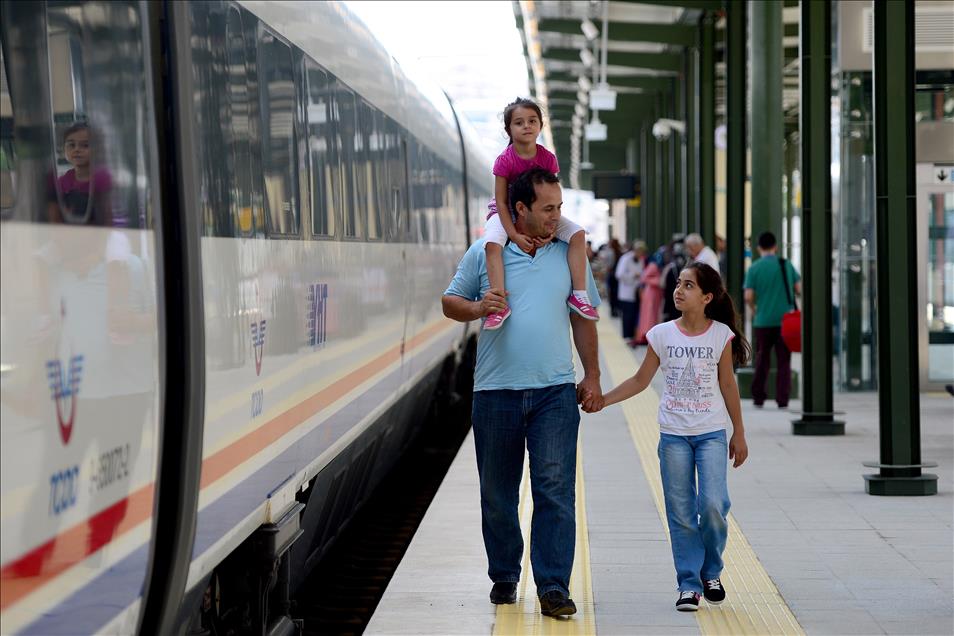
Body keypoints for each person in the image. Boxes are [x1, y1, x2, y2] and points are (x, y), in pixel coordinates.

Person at [442, 168, 601, 618]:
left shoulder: (569, 256)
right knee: (497, 493)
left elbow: (582, 318)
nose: (557, 217)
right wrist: (478, 306)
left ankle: (552, 585)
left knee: (554, 490)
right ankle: (505, 575)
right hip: (495, 393)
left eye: (559, 208)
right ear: (520, 209)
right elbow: (449, 301)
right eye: (548, 209)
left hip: (554, 391)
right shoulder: (485, 253)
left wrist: (591, 375)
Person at [582, 262, 750, 612]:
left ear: (706, 297)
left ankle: (711, 570)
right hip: (673, 435)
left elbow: (728, 385)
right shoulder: (661, 334)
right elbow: (640, 380)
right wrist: (604, 400)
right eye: (678, 283)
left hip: (711, 435)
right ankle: (689, 584)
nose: (678, 289)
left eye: (688, 286)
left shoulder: (720, 335)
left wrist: (739, 432)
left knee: (714, 505)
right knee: (682, 512)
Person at [481, 97, 598, 330]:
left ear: (540, 126)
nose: (527, 126)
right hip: (505, 213)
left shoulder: (548, 158)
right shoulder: (504, 161)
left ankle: (580, 295)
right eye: (519, 122)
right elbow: (502, 202)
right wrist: (513, 234)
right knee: (492, 245)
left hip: (537, 212)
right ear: (508, 130)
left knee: (577, 234)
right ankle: (499, 304)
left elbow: (552, 197)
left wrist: (552, 230)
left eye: (532, 121)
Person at [743, 231, 801, 409]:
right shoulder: (786, 265)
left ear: (759, 247)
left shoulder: (754, 268)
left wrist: (754, 309)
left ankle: (759, 396)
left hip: (763, 321)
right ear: (775, 246)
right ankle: (782, 399)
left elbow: (748, 296)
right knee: (784, 360)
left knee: (762, 358)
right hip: (785, 321)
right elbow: (798, 289)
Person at [48, 122, 113, 226]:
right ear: (64, 149)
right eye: (71, 145)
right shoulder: (63, 182)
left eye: (85, 145)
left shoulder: (102, 178)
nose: (77, 149)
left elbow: (107, 217)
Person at [615, 240, 646, 345]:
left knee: (633, 314)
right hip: (626, 292)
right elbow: (619, 274)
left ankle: (632, 335)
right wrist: (633, 275)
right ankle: (626, 336)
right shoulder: (626, 258)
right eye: (639, 251)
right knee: (627, 315)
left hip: (636, 291)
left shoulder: (640, 260)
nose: (641, 253)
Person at [635, 248, 664, 344]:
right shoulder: (653, 265)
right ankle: (646, 335)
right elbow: (644, 278)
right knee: (649, 315)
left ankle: (651, 335)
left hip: (656, 294)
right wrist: (657, 281)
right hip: (650, 293)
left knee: (654, 315)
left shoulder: (659, 266)